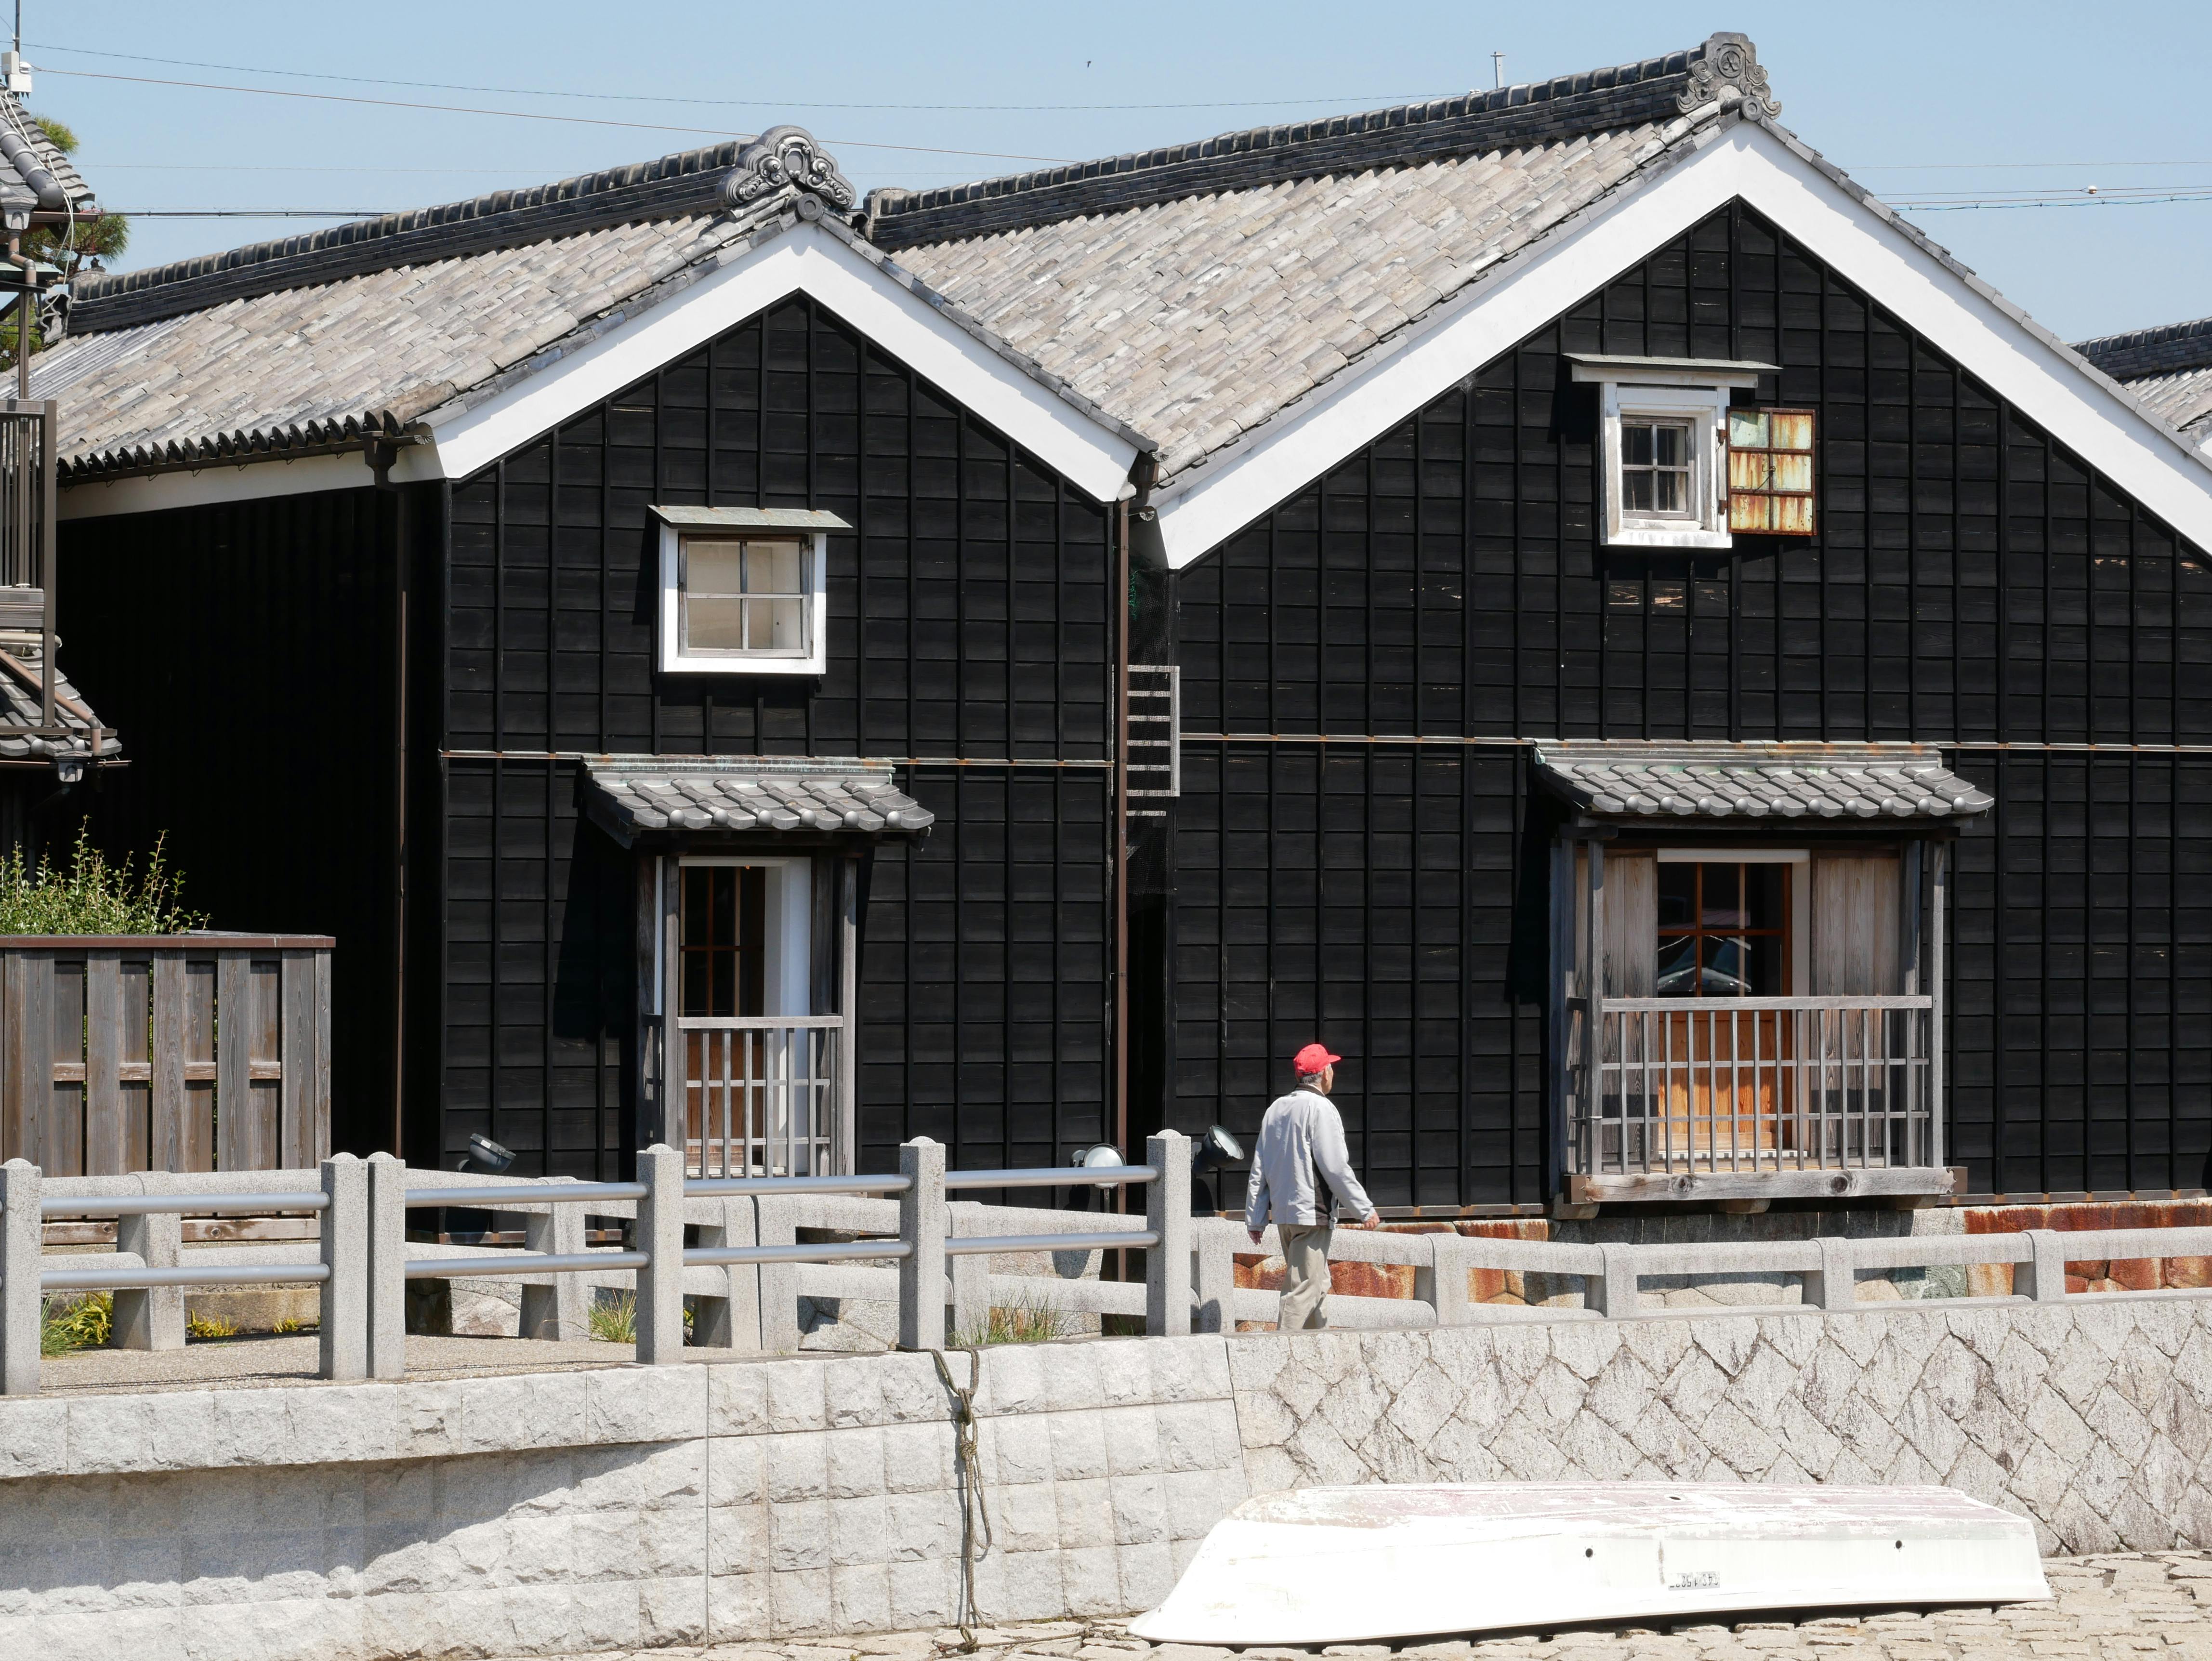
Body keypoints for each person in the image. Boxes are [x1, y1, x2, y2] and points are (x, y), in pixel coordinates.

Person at [1245, 1043, 1379, 1331]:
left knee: (1317, 1282)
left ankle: (1320, 1350)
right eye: (1331, 1067)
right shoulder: (1321, 1109)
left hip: (1284, 1215)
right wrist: (1364, 1210)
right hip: (1312, 1214)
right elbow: (1335, 1166)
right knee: (1305, 1286)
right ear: (1323, 1074)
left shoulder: (1276, 1108)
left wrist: (1256, 1219)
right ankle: (1283, 1353)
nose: (1333, 1073)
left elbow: (1260, 1168)